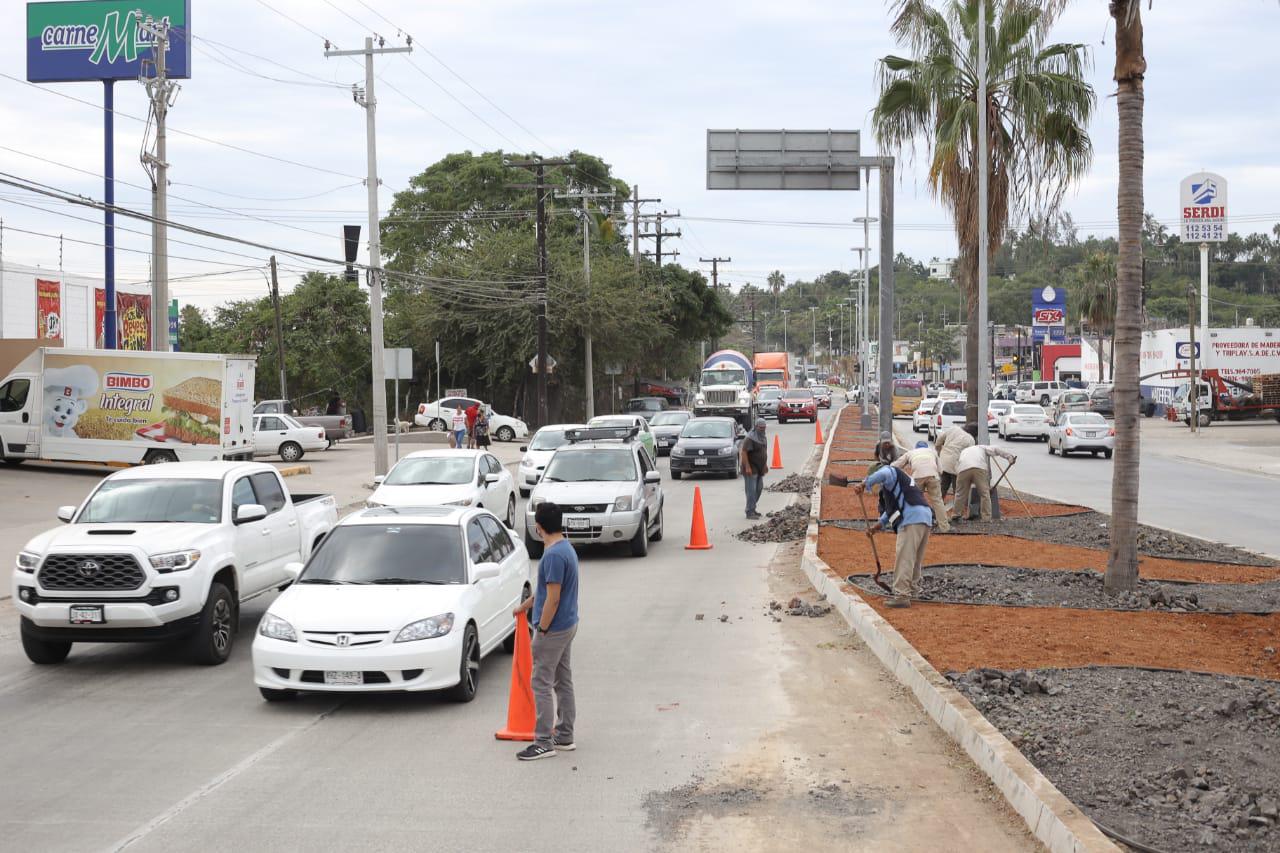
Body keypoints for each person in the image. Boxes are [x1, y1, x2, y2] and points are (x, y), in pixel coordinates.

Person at [513, 502, 580, 761]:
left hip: (553, 629)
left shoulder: (552, 556)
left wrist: (540, 628)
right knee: (562, 680)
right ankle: (565, 735)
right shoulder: (566, 548)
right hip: (568, 625)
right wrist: (525, 606)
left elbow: (552, 598)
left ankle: (543, 742)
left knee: (540, 683)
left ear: (538, 528)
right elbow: (543, 590)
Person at [853, 464, 933, 608]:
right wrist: (877, 527)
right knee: (914, 559)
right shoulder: (900, 484)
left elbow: (884, 473)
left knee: (905, 557)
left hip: (912, 519)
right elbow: (891, 511)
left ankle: (902, 594)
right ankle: (913, 590)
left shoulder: (890, 472)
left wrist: (865, 483)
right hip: (925, 517)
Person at [952, 441, 1017, 523]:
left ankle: (956, 515)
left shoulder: (963, 451)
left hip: (963, 469)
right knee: (984, 494)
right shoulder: (981, 447)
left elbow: (956, 464)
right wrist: (1009, 457)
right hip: (979, 468)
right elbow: (996, 449)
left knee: (960, 494)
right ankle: (986, 518)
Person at [893, 439, 949, 533]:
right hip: (933, 476)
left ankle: (914, 524)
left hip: (917, 477)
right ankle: (944, 527)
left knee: (915, 500)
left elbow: (897, 465)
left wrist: (887, 468)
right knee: (938, 501)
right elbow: (941, 470)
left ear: (916, 448)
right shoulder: (932, 452)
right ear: (926, 447)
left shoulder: (911, 452)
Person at [935, 422, 976, 501]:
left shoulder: (953, 429)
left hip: (944, 461)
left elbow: (939, 440)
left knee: (943, 484)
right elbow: (969, 455)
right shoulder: (971, 439)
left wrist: (938, 450)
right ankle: (957, 507)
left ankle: (938, 504)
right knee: (957, 487)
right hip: (956, 465)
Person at [739, 419, 769, 520]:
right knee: (751, 490)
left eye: (764, 427)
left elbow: (764, 451)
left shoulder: (763, 437)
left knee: (759, 488)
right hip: (750, 468)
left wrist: (764, 465)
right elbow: (744, 453)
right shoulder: (750, 438)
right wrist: (747, 466)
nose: (763, 429)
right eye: (761, 427)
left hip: (759, 467)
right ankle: (749, 511)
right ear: (756, 427)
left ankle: (752, 508)